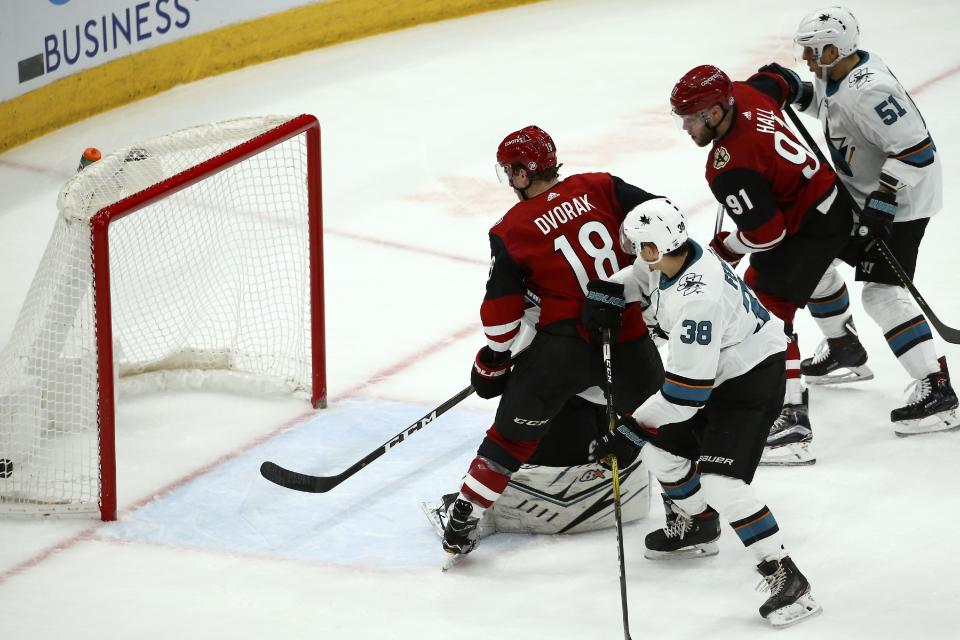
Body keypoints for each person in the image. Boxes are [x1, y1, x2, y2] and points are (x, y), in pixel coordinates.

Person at [592, 198, 821, 628]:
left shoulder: (699, 300)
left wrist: (631, 428)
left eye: (638, 245)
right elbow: (641, 275)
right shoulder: (676, 256)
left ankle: (786, 575)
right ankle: (698, 524)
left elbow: (684, 396)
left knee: (721, 481)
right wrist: (612, 292)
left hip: (751, 380)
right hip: (718, 373)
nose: (634, 252)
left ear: (656, 247)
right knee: (658, 451)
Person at [440, 125, 664, 557]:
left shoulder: (511, 228)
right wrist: (642, 284)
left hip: (563, 347)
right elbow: (664, 217)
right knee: (666, 423)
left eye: (511, 172)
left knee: (509, 439)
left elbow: (501, 317)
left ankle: (465, 516)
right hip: (631, 335)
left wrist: (494, 360)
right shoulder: (600, 186)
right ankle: (691, 513)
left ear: (524, 173)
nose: (509, 181)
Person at [759, 6, 957, 436]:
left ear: (836, 47)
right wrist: (792, 88)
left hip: (903, 203)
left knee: (882, 296)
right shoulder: (839, 73)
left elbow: (917, 152)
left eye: (813, 52)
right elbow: (835, 113)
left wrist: (883, 203)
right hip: (863, 195)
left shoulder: (872, 88)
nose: (807, 59)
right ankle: (844, 348)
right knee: (814, 263)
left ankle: (938, 390)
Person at [670, 63, 855, 465]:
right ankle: (844, 345)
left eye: (690, 119)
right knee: (813, 276)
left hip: (806, 228)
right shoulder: (745, 92)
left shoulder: (729, 165)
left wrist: (727, 247)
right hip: (832, 202)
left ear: (714, 113)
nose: (686, 128)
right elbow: (780, 78)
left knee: (766, 314)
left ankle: (790, 421)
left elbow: (769, 235)